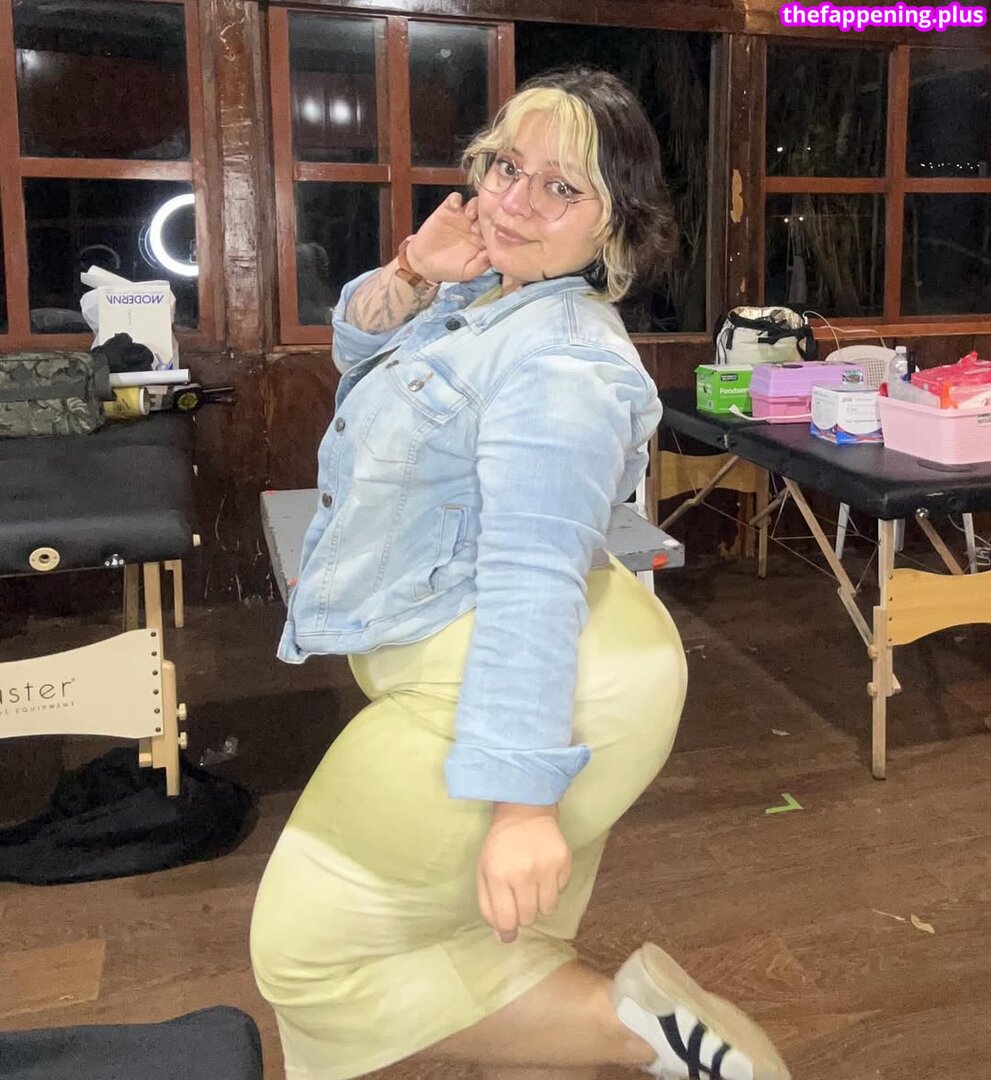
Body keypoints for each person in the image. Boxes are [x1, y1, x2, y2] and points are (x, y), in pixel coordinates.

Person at [251, 68, 791, 1080]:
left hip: (532, 665)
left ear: (614, 227)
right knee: (501, 944)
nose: (512, 200)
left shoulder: (560, 363)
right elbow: (359, 346)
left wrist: (522, 806)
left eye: (560, 187)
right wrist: (416, 268)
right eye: (505, 167)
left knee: (312, 957)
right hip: (557, 653)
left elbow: (531, 575)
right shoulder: (485, 296)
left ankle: (642, 1035)